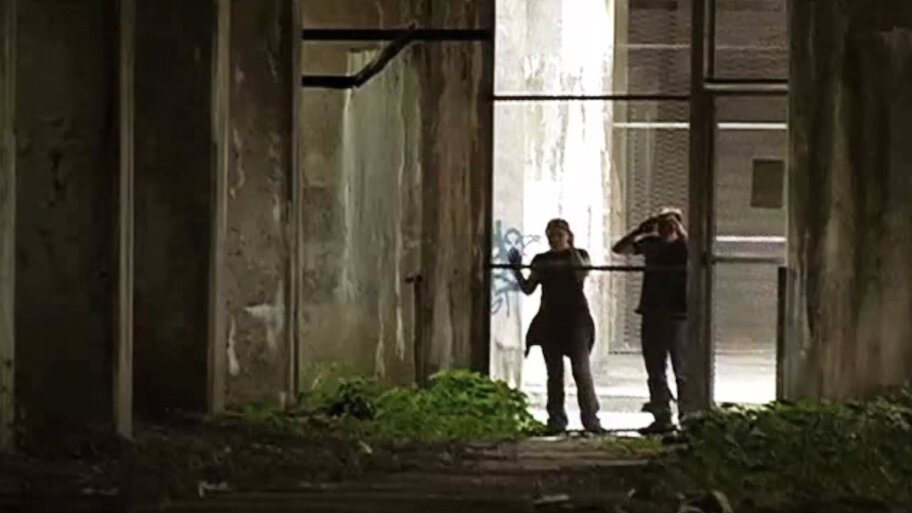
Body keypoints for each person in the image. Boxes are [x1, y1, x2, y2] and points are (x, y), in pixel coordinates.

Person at [507, 219, 604, 435]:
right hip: (550, 321)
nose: (555, 240)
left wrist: (572, 249)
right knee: (554, 374)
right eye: (551, 236)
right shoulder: (541, 260)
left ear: (568, 236)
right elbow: (529, 288)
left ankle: (591, 420)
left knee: (581, 371)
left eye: (559, 235)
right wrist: (516, 270)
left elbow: (581, 273)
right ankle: (556, 420)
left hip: (576, 320)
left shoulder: (579, 255)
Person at [611, 207, 688, 435]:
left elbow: (696, 252)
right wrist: (640, 230)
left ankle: (687, 416)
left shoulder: (683, 246)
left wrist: (681, 232)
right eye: (663, 222)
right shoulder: (651, 244)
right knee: (655, 368)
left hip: (678, 314)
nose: (666, 226)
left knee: (682, 368)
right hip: (652, 312)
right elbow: (619, 249)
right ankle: (662, 416)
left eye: (671, 222)